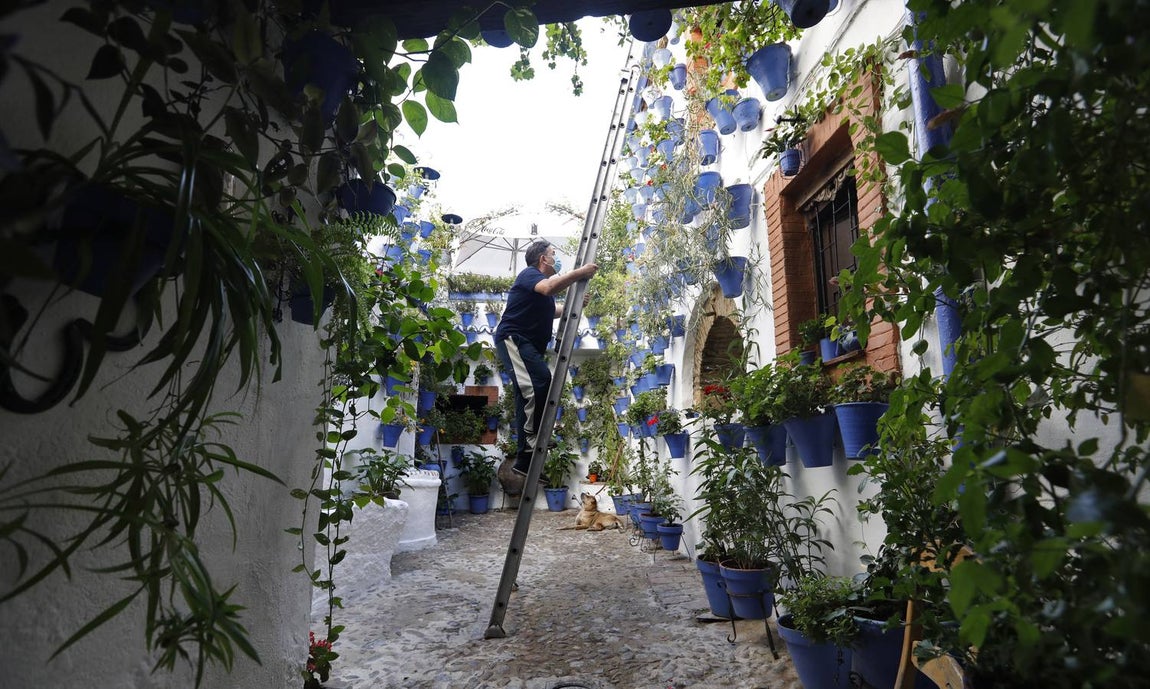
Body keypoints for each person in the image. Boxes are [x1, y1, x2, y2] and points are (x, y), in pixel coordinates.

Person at [493, 239, 597, 478]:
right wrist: (580, 273)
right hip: (514, 339)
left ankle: (525, 460)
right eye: (553, 253)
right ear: (543, 259)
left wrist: (576, 304)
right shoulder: (530, 275)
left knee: (526, 393)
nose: (555, 257)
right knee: (539, 381)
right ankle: (531, 442)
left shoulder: (541, 289)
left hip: (526, 344)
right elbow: (548, 288)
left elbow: (552, 310)